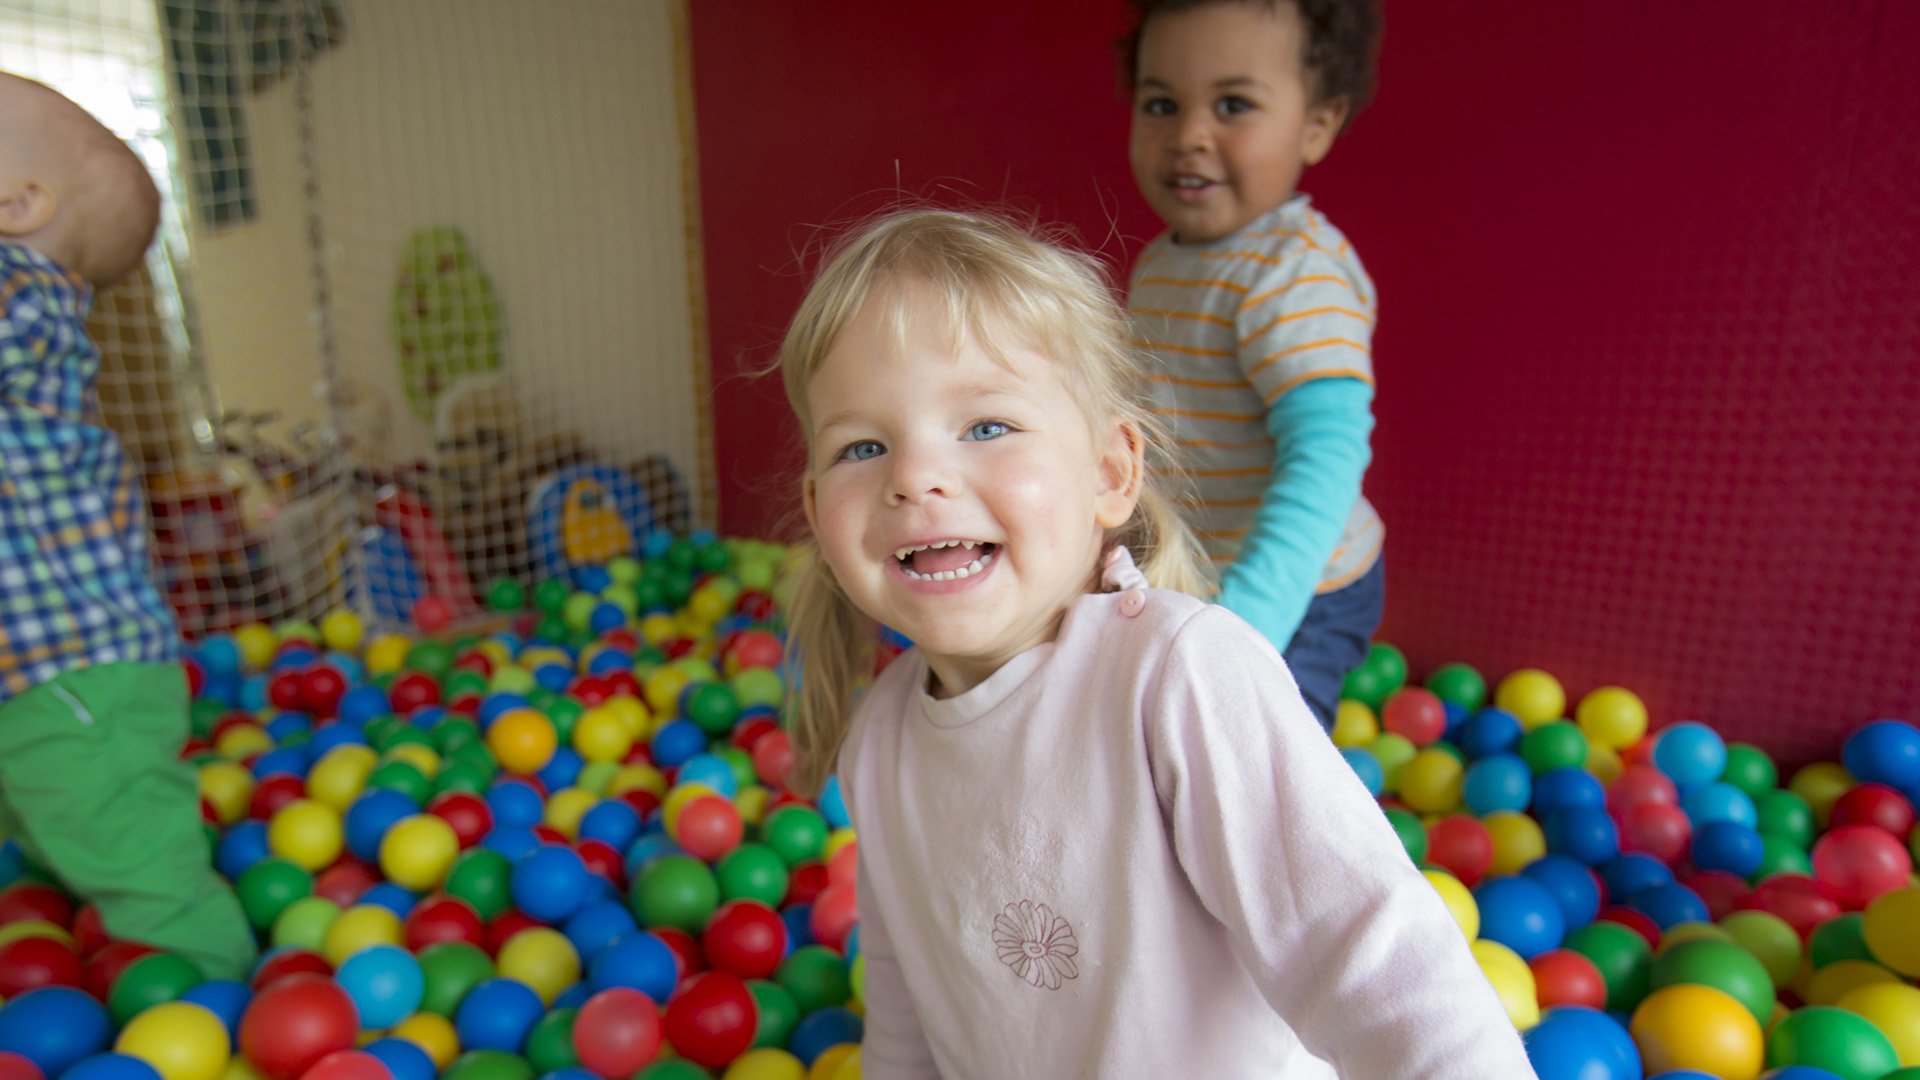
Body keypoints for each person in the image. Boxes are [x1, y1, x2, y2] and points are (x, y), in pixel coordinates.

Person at [779, 208, 1529, 1077]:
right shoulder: (880, 741)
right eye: (863, 446)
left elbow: (1368, 950)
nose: (913, 477)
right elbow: (906, 1000)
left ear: (1108, 472)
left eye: (986, 426)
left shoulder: (1180, 678)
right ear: (814, 514)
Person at [0, 72, 256, 980]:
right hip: (42, 678)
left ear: (18, 206)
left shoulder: (18, 294)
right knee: (53, 846)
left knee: (148, 877)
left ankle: (224, 999)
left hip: (74, 678)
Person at [1124, 0, 1386, 729]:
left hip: (1298, 587)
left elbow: (1326, 459)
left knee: (1263, 755)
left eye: (1234, 104)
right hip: (1195, 577)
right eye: (1161, 104)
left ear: (1317, 124)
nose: (1190, 136)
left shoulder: (1295, 276)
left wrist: (1248, 622)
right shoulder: (1161, 264)